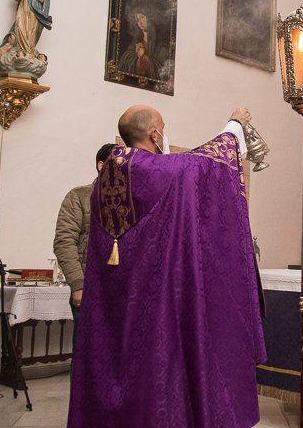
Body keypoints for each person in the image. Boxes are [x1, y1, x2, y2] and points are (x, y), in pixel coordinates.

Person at [67, 105, 265, 428]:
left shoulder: (105, 180)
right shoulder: (154, 171)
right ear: (154, 134)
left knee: (112, 368)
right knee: (151, 376)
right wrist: (233, 127)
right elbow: (202, 165)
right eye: (163, 128)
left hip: (112, 305)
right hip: (152, 304)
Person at [53, 143, 116, 334]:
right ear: (101, 165)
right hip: (90, 285)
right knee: (86, 350)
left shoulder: (131, 199)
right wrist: (78, 285)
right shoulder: (79, 196)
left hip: (121, 288)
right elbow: (64, 241)